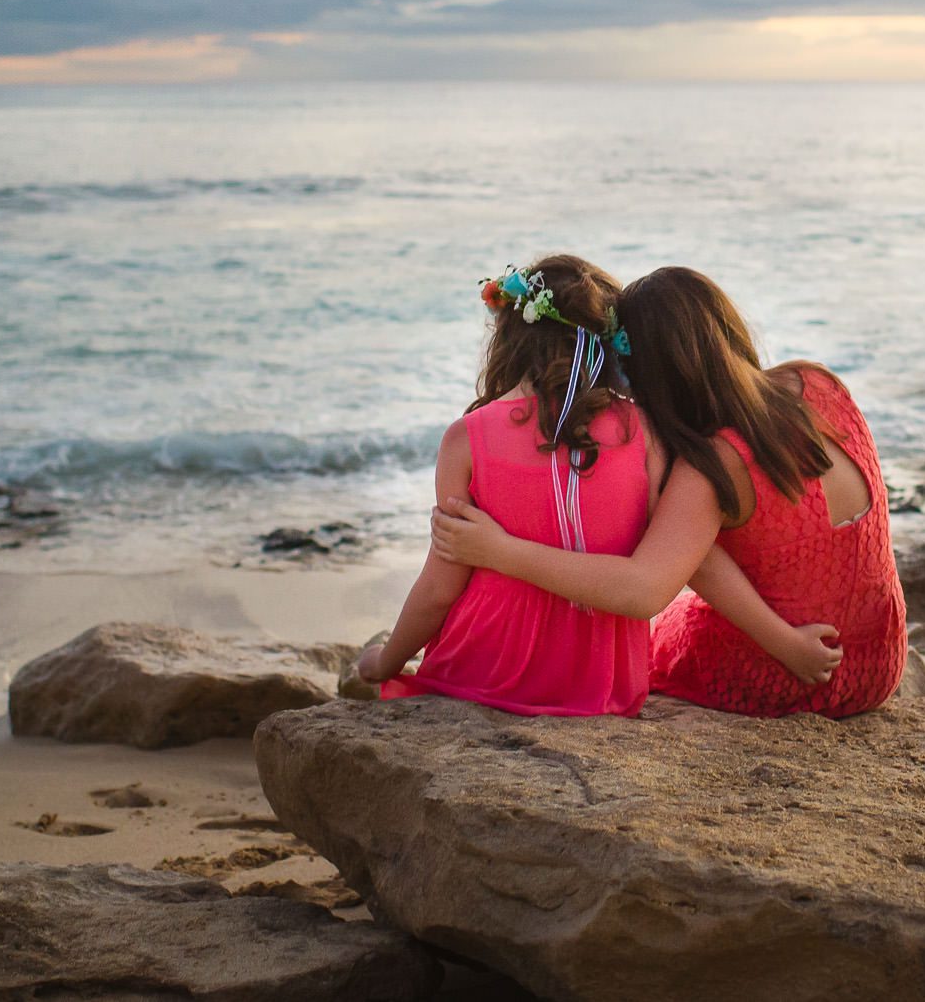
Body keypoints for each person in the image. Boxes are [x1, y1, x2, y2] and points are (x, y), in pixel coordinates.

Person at [355, 255, 837, 716]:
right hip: (604, 688)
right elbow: (693, 559)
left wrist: (387, 661)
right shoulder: (643, 431)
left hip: (482, 671)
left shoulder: (467, 438)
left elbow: (440, 588)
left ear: (509, 339)